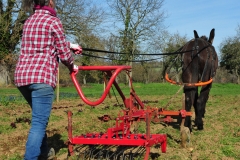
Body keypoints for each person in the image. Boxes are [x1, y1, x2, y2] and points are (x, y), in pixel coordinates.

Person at [14, 0, 82, 159]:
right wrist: (73, 67)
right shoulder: (53, 21)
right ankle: (30, 157)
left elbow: (46, 41)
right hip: (42, 78)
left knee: (38, 118)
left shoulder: (29, 21)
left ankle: (44, 152)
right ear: (50, 1)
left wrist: (71, 45)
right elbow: (64, 55)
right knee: (38, 123)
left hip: (22, 78)